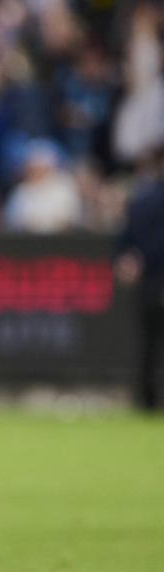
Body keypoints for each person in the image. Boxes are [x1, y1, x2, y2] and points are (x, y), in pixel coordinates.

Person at [116, 147, 164, 411]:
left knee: (148, 343)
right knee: (149, 342)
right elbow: (126, 243)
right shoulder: (143, 202)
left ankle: (147, 400)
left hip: (148, 280)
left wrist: (130, 258)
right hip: (152, 279)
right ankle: (148, 399)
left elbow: (124, 244)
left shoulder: (140, 201)